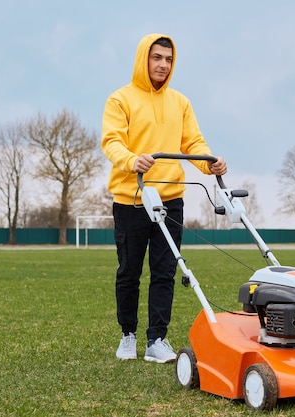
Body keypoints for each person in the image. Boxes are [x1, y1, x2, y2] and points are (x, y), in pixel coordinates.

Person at [101, 33, 227, 363]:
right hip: (132, 198)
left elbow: (193, 144)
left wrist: (210, 162)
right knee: (129, 271)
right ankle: (128, 335)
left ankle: (157, 339)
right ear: (144, 58)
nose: (163, 64)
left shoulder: (180, 102)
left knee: (165, 271)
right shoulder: (120, 100)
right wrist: (132, 160)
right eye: (157, 57)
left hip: (170, 200)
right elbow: (112, 142)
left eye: (169, 60)